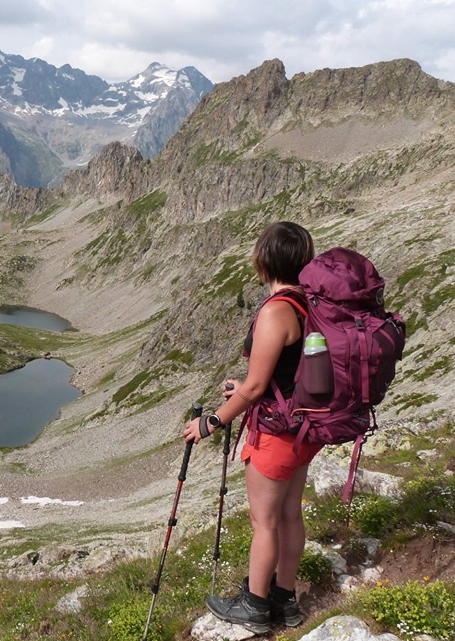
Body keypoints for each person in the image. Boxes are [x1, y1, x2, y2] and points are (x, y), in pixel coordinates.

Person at [181, 221, 321, 634]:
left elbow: (258, 385)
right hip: (303, 428)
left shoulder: (276, 310)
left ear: (264, 259)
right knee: (290, 515)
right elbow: (286, 373)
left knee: (265, 521)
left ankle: (255, 605)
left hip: (277, 433)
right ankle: (286, 599)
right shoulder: (307, 304)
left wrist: (211, 422)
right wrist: (244, 387)